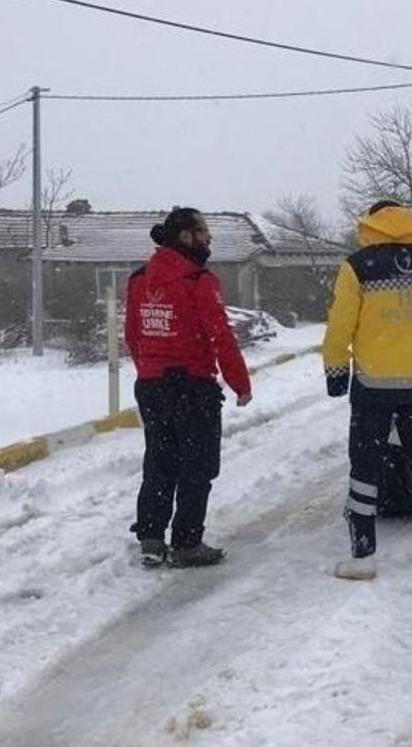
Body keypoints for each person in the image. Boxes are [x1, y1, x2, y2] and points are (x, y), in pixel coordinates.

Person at [323, 200, 412, 580]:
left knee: (366, 466)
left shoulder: (358, 267)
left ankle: (363, 556)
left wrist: (335, 370)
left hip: (372, 386)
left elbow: (340, 324)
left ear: (372, 226)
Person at [125, 207, 253, 566]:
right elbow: (220, 337)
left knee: (159, 461)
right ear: (185, 236)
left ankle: (151, 538)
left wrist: (149, 370)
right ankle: (186, 543)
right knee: (196, 467)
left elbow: (133, 335)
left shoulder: (139, 279)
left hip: (151, 387)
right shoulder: (199, 281)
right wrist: (240, 383)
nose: (208, 238)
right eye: (203, 231)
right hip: (193, 388)